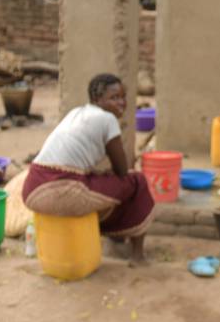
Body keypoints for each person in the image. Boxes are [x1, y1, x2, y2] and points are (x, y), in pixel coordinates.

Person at [22, 73, 154, 266]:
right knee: (137, 181)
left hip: (32, 188)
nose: (121, 103)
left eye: (123, 97)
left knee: (102, 183)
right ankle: (137, 256)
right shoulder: (107, 119)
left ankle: (115, 239)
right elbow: (122, 171)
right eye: (114, 98)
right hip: (62, 189)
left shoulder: (76, 113)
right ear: (96, 99)